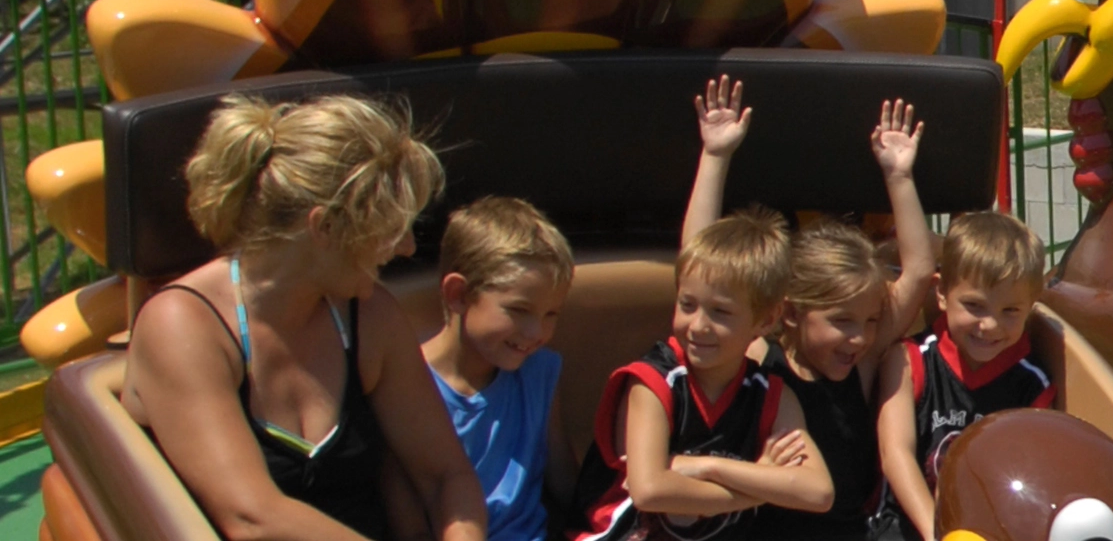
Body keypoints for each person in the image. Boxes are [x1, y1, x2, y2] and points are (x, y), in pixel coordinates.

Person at [123, 94, 489, 540]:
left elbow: (446, 476)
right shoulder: (182, 325)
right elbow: (252, 518)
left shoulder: (372, 318)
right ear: (325, 228)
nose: (407, 247)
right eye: (390, 228)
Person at [677, 76, 941, 540]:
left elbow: (918, 271)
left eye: (870, 321)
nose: (858, 337)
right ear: (792, 312)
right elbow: (702, 264)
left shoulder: (861, 363)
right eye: (841, 322)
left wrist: (899, 176)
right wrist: (715, 156)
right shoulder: (760, 357)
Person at [571, 207, 834, 540]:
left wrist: (707, 466)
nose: (698, 326)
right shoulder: (653, 382)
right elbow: (650, 490)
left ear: (767, 320)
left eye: (720, 312)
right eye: (687, 305)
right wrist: (762, 482)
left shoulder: (772, 395)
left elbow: (818, 492)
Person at [876, 212, 1058, 541]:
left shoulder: (1033, 384)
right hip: (905, 527)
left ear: (1031, 306)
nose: (989, 325)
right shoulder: (907, 360)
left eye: (1010, 311)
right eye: (974, 305)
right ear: (942, 293)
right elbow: (895, 454)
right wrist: (936, 532)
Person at [409, 197, 578, 541]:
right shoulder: (409, 384)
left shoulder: (539, 371)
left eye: (551, 315)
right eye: (519, 310)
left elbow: (562, 476)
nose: (537, 334)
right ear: (458, 295)